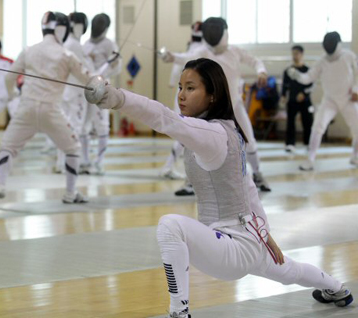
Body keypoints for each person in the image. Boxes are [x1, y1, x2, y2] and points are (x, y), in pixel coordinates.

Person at [90, 58, 353, 318]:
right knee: (289, 271)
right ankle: (336, 288)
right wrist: (263, 232)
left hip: (233, 247)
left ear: (213, 96)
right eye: (180, 87)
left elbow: (165, 118)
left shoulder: (213, 133)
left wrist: (119, 98)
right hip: (245, 238)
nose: (181, 95)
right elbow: (244, 184)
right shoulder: (225, 130)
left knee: (170, 226)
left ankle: (179, 313)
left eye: (191, 88)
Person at [0, 11, 93, 204]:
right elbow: (89, 80)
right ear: (62, 29)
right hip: (51, 110)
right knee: (73, 148)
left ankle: (0, 185)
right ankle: (70, 193)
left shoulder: (28, 50)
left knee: (8, 146)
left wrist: (13, 94)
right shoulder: (67, 55)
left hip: (26, 108)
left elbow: (9, 78)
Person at [161, 17, 271, 192]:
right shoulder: (202, 51)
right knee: (193, 142)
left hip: (234, 105)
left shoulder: (235, 52)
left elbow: (255, 61)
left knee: (248, 140)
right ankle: (191, 182)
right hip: (210, 108)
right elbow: (185, 57)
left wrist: (262, 71)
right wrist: (171, 56)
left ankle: (257, 175)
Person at [288, 32, 358, 171]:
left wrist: (356, 90)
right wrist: (297, 75)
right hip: (329, 100)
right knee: (317, 127)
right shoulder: (322, 61)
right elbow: (309, 77)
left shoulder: (349, 56)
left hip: (348, 98)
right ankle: (310, 160)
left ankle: (355, 156)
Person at [160, 21, 203, 196]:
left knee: (184, 136)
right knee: (188, 136)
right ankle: (186, 177)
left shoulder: (185, 54)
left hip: (180, 97)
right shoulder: (197, 54)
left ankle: (169, 167)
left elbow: (172, 82)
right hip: (192, 100)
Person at [80, 13, 121, 175]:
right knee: (84, 125)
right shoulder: (85, 45)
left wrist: (113, 64)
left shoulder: (110, 44)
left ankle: (99, 162)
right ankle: (85, 160)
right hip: (87, 89)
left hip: (103, 90)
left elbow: (117, 67)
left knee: (102, 126)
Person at [54, 12, 92, 174]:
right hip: (75, 93)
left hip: (66, 92)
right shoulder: (74, 45)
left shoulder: (67, 43)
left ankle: (61, 163)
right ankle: (68, 164)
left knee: (66, 127)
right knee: (73, 128)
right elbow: (84, 71)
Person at [281, 45, 314, 153]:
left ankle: (308, 143)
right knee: (290, 122)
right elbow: (284, 85)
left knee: (308, 121)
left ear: (302, 54)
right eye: (293, 53)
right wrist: (283, 95)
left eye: (297, 53)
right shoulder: (288, 70)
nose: (295, 56)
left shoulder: (307, 70)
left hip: (305, 101)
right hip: (292, 100)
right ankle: (290, 143)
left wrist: (304, 94)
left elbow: (311, 85)